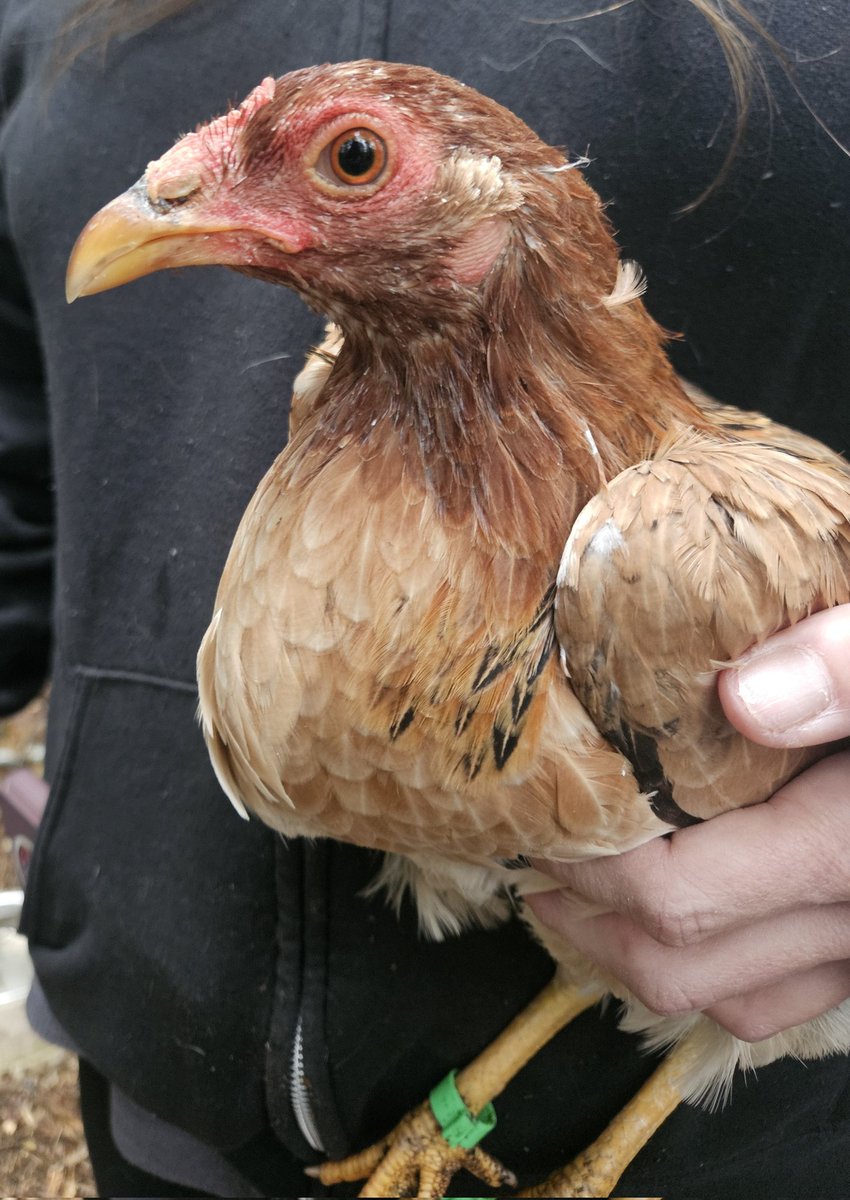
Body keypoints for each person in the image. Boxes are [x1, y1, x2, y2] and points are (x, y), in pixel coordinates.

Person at [1, 0, 849, 1195]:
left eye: (351, 160)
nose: (169, 197)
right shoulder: (52, 22)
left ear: (490, 217)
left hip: (755, 1146)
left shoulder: (667, 569)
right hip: (170, 1095)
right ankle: (456, 1117)